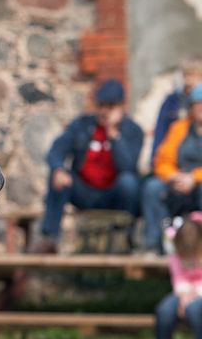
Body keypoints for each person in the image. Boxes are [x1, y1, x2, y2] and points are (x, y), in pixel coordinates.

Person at [37, 79, 143, 252]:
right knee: (58, 176)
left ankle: (127, 239)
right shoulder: (82, 125)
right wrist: (58, 168)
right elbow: (57, 149)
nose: (104, 111)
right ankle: (49, 238)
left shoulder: (133, 131)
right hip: (85, 191)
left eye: (110, 106)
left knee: (129, 182)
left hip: (114, 194)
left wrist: (113, 134)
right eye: (101, 105)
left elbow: (128, 166)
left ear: (121, 107)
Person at [142, 83, 202, 252]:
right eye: (197, 104)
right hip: (178, 180)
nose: (200, 108)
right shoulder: (179, 128)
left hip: (198, 183)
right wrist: (174, 176)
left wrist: (194, 178)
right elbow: (162, 160)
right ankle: (154, 245)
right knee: (153, 188)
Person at [151, 215, 202, 339]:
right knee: (164, 311)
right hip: (182, 291)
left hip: (199, 292)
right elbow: (178, 275)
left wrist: (195, 294)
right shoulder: (174, 248)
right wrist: (184, 295)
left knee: (194, 311)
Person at [151, 57, 202, 166]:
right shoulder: (173, 101)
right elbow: (161, 130)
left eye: (194, 75)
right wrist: (155, 159)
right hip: (174, 155)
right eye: (186, 75)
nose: (188, 80)